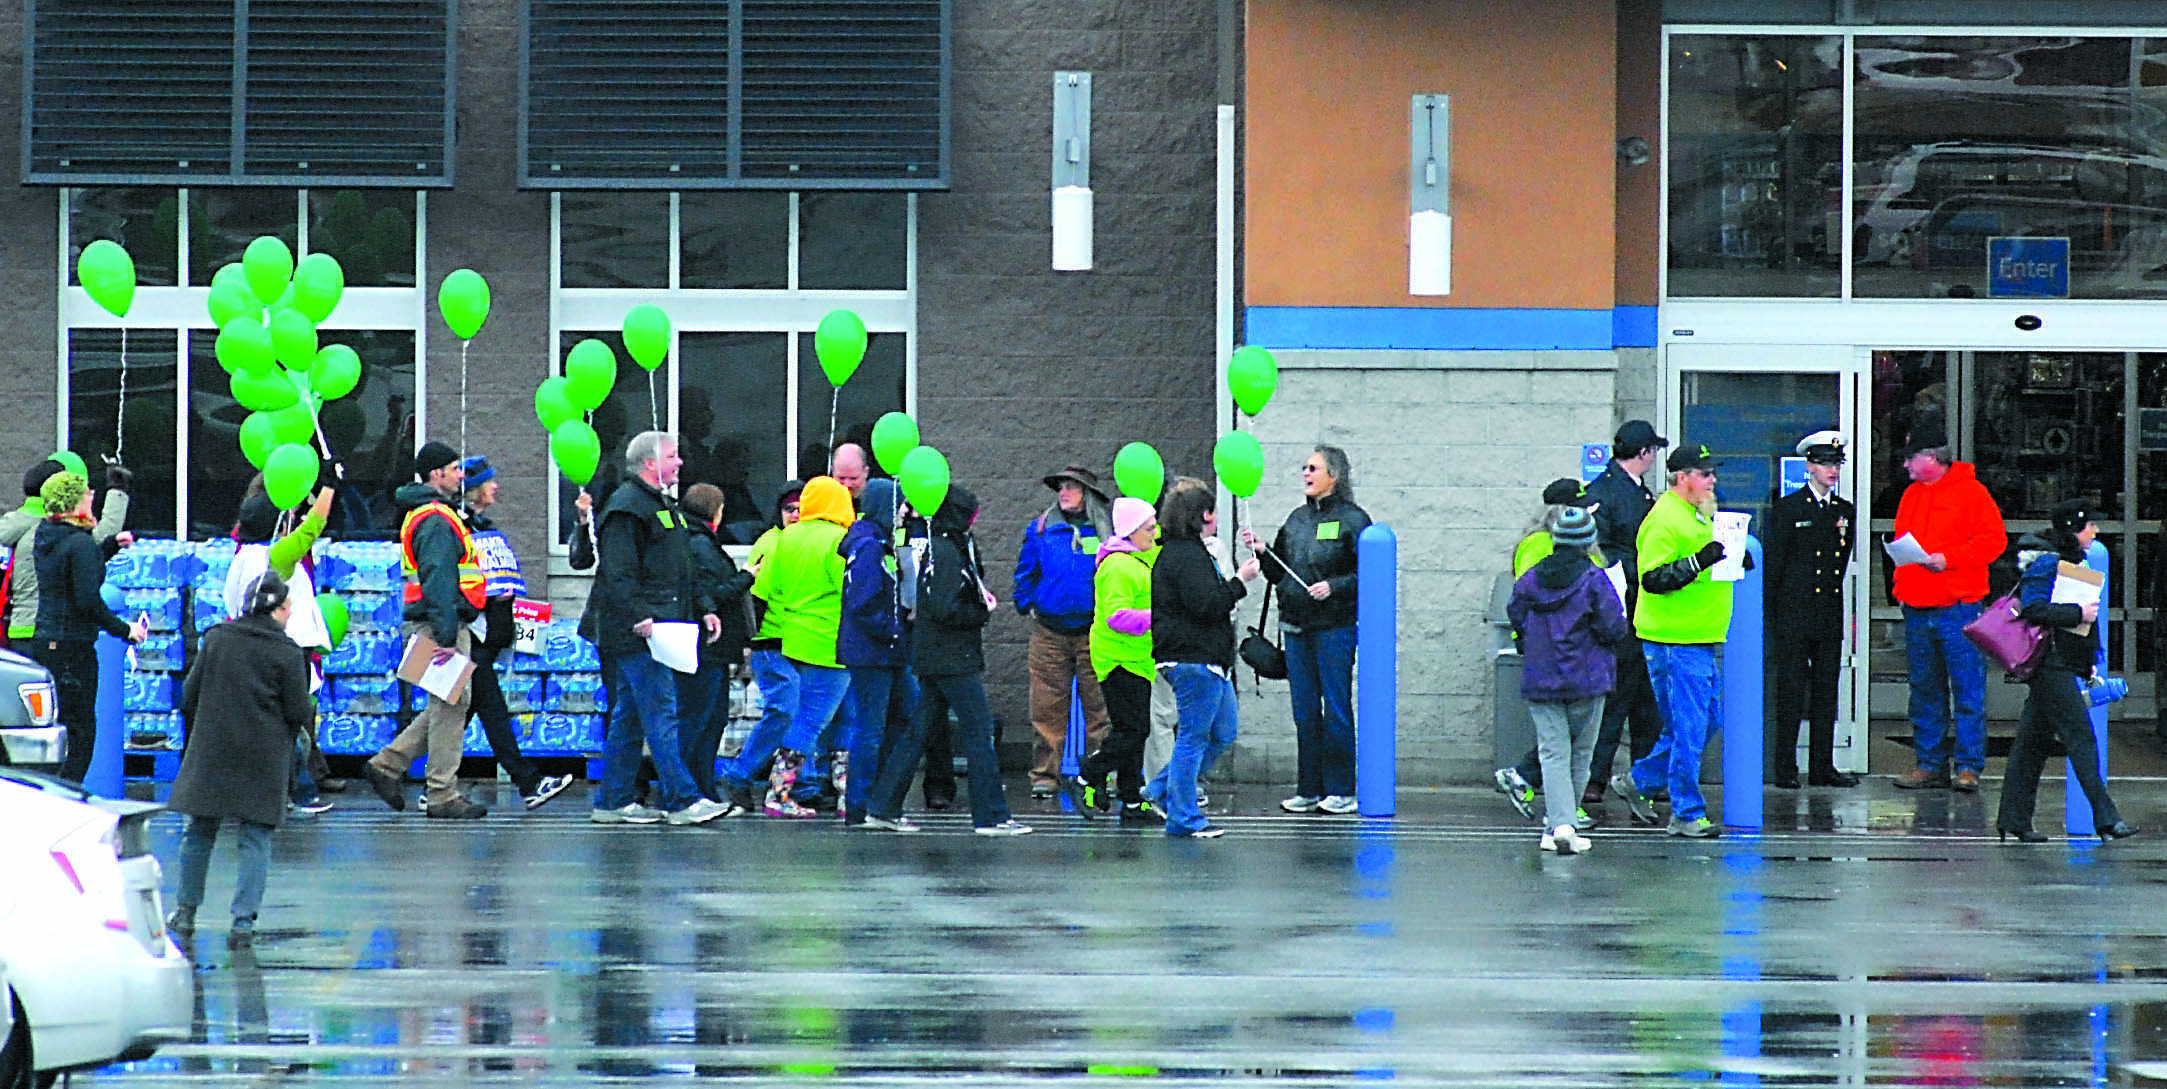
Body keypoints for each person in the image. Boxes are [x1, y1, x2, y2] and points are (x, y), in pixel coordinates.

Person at [583, 431, 731, 826]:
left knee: (630, 717)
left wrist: (704, 607)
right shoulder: (627, 508)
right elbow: (618, 573)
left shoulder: (661, 506)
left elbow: (681, 565)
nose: (680, 462)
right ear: (650, 463)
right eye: (672, 456)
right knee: (661, 711)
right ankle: (682, 800)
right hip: (640, 632)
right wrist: (639, 616)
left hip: (662, 623)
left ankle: (613, 799)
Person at [869, 483, 1031, 835]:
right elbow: (942, 607)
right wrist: (980, 611)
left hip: (937, 655)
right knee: (979, 730)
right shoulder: (947, 551)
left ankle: (883, 804)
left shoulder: (945, 546)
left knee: (918, 732)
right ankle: (991, 814)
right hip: (952, 657)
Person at [164, 571, 314, 949]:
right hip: (263, 757)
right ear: (278, 610)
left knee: (199, 832)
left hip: (212, 750)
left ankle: (185, 910)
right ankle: (243, 921)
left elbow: (188, 695)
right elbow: (298, 709)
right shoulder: (287, 652)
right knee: (254, 838)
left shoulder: (216, 639)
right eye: (289, 607)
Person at [1993, 501, 2138, 843]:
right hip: (2048, 664)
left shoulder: (2072, 561)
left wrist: (2086, 659)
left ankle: (2013, 818)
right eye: (2090, 526)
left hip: (2057, 661)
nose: (2096, 532)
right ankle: (2106, 818)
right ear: (2074, 527)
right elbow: (2033, 608)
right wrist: (2077, 613)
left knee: (2032, 743)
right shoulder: (2047, 562)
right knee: (2081, 737)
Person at [1610, 442, 1734, 839]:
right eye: (1704, 473)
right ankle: (1685, 810)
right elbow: (1653, 578)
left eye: (1712, 472)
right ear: (1683, 478)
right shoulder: (1665, 518)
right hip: (1674, 640)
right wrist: (1700, 561)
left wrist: (1727, 560)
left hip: (1696, 637)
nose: (1712, 479)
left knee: (1701, 722)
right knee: (1690, 728)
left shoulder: (1696, 513)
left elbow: (1700, 562)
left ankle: (1641, 780)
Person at [364, 442, 491, 820]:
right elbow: (440, 579)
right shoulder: (436, 519)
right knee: (451, 705)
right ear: (436, 474)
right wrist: (448, 637)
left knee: (449, 701)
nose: (460, 475)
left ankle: (388, 764)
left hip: (434, 621)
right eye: (454, 468)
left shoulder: (429, 514)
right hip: (441, 623)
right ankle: (441, 793)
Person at [1242, 444, 1370, 816]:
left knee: (1336, 708)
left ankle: (1342, 788)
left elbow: (1369, 574)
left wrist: (1336, 586)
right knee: (1304, 711)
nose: (1306, 474)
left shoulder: (1354, 520)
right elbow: (1277, 573)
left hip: (1334, 629)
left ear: (1335, 475)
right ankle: (1309, 788)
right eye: (1304, 468)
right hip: (1296, 627)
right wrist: (1263, 552)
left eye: (1313, 468)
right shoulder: (1296, 519)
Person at [1889, 428, 2006, 793]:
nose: (1906, 465)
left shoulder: (1972, 493)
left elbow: (1994, 540)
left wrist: (1950, 560)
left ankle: (1968, 766)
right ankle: (1930, 763)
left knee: (1967, 689)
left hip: (1958, 606)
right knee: (1924, 689)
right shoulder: (1911, 495)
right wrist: (1902, 588)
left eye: (1911, 458)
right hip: (1919, 607)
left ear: (1933, 458)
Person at [1143, 477, 1260, 839]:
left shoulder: (1184, 552)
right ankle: (1184, 816)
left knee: (1223, 733)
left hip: (1205, 659)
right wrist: (1240, 581)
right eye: (1212, 514)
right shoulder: (1186, 556)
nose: (1215, 521)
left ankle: (1159, 790)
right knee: (1192, 739)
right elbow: (1207, 605)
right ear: (1202, 515)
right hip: (1193, 659)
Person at [1506, 506, 1627, 854]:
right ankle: (1564, 824)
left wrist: (1530, 639)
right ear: (1588, 541)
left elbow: (1516, 612)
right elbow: (1613, 627)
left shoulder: (1531, 578)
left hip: (1541, 677)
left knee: (1552, 752)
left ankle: (1555, 827)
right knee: (1580, 754)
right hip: (1587, 680)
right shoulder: (1594, 579)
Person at [456, 456, 574, 810]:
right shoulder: (460, 529)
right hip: (472, 637)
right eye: (490, 482)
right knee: (489, 711)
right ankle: (528, 782)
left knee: (453, 714)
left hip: (487, 639)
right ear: (474, 490)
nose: (497, 487)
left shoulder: (483, 526)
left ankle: (398, 766)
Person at [224, 480, 338, 815]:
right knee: (291, 723)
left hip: (246, 645)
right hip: (282, 648)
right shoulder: (276, 556)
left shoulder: (241, 556)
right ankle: (301, 791)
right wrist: (330, 486)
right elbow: (313, 526)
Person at [746, 476, 856, 817]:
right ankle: (779, 793)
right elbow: (848, 587)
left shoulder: (787, 537)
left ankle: (842, 794)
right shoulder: (839, 540)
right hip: (832, 641)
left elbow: (769, 586)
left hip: (795, 639)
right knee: (817, 721)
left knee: (827, 717)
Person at [30, 470, 146, 783]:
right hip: (73, 648)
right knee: (82, 734)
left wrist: (109, 547)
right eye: (85, 492)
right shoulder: (79, 542)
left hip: (46, 640)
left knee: (58, 728)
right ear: (73, 503)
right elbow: (87, 600)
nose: (91, 495)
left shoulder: (47, 535)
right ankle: (66, 800)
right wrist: (126, 630)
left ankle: (49, 794)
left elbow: (70, 572)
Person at [1493, 477, 1599, 819]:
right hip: (1560, 649)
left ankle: (1551, 795)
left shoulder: (1557, 544)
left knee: (1565, 733)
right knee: (1564, 736)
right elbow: (1529, 597)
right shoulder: (1540, 545)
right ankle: (1559, 805)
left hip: (1569, 648)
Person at [1763, 431, 1859, 789]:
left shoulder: (1843, 511)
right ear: (1809, 467)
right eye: (1824, 463)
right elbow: (1776, 566)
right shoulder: (1789, 509)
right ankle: (1785, 766)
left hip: (1826, 614)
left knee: (1825, 691)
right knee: (1790, 691)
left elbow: (1841, 558)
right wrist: (1773, 615)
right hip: (1793, 613)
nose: (1831, 470)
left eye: (1835, 463)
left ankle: (1823, 765)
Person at [1579, 420, 1667, 807]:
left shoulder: (1630, 491)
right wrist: (1640, 572)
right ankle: (1594, 776)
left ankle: (1641, 776)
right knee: (1618, 696)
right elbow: (1603, 553)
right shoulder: (1608, 493)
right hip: (1623, 605)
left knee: (1643, 695)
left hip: (1637, 605)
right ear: (1644, 452)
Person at [1013, 465, 1114, 798]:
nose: (1064, 492)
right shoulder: (1042, 528)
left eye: (1072, 487)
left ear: (1088, 494)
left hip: (1094, 631)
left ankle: (1102, 774)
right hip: (1049, 632)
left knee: (1100, 708)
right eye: (1061, 487)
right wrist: (1026, 602)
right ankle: (1045, 775)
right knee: (1046, 708)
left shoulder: (1108, 531)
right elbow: (1026, 570)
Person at [1065, 496, 1163, 824]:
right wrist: (1159, 616)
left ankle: (1132, 801)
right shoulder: (1118, 566)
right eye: (1149, 528)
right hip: (1118, 658)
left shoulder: (1143, 555)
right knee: (1133, 732)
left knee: (1130, 730)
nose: (1154, 532)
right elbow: (1118, 617)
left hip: (1138, 658)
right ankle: (1085, 776)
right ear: (1132, 531)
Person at [839, 478, 914, 825]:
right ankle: (861, 803)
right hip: (874, 651)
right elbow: (863, 601)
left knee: (901, 719)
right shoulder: (870, 546)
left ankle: (880, 799)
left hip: (884, 650)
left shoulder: (877, 542)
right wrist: (893, 628)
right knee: (871, 728)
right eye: (900, 504)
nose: (904, 511)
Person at [678, 483, 756, 807]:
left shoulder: (697, 541)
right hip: (707, 648)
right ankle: (694, 789)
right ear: (714, 512)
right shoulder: (701, 545)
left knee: (711, 719)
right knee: (702, 720)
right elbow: (714, 593)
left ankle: (702, 787)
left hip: (712, 649)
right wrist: (747, 576)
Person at [1, 457, 131, 644]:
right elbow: (93, 547)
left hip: (18, 626)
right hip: (52, 631)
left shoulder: (18, 524)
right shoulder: (56, 531)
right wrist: (117, 491)